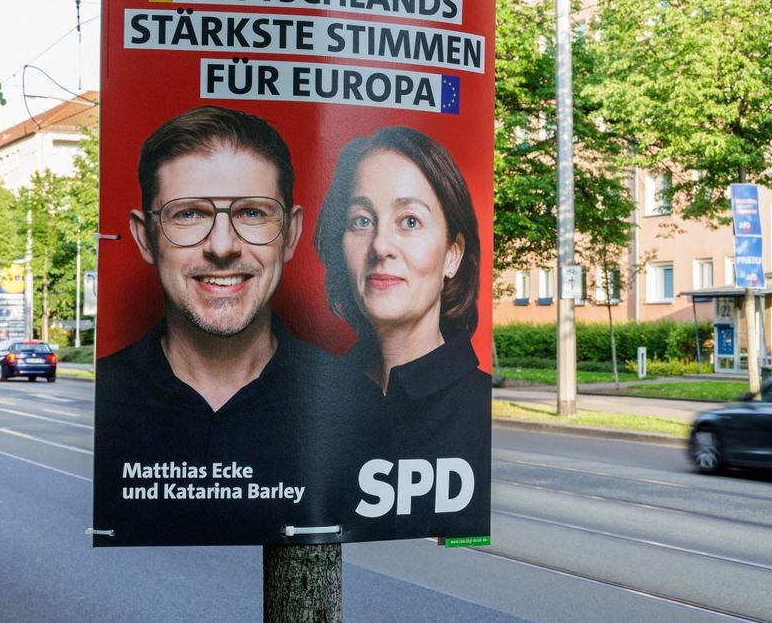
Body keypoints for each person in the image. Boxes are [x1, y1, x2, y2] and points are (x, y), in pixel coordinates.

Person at [93, 105, 343, 546]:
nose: (222, 246)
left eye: (251, 213)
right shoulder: (107, 397)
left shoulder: (355, 400)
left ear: (291, 233)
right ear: (143, 238)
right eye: (188, 214)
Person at [314, 126, 490, 541]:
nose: (381, 246)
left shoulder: (484, 414)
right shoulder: (312, 397)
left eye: (409, 221)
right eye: (361, 221)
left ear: (452, 255)